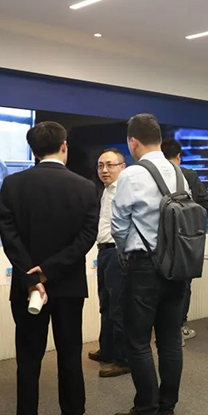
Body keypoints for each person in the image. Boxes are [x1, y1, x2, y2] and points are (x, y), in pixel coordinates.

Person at [0, 121, 99, 415]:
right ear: (64, 146)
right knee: (70, 353)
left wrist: (33, 277)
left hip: (27, 289)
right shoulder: (85, 187)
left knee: (29, 357)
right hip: (69, 286)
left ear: (33, 150)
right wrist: (51, 270)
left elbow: (9, 236)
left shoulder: (13, 184)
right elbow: (86, 237)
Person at [111, 114, 189, 415]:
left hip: (143, 266)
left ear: (133, 142)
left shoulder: (132, 174)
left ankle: (146, 412)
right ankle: (167, 408)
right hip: (178, 266)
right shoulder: (179, 173)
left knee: (139, 341)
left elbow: (119, 225)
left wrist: (123, 252)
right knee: (170, 340)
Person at [160, 138, 208, 345]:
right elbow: (203, 203)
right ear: (179, 156)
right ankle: (180, 327)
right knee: (183, 284)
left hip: (157, 241)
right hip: (184, 240)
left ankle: (162, 328)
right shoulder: (189, 175)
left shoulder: (148, 175)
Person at [91, 148, 130, 377]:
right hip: (104, 252)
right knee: (105, 303)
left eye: (110, 165)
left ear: (122, 167)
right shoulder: (106, 191)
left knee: (118, 307)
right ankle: (107, 350)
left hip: (118, 252)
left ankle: (123, 359)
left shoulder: (125, 191)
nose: (104, 170)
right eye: (100, 165)